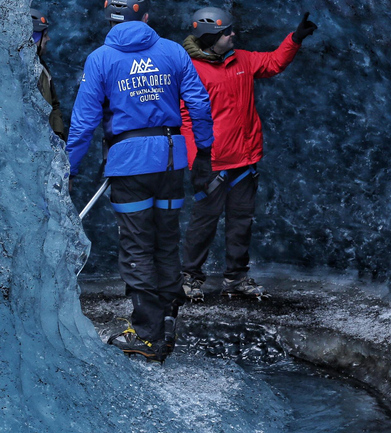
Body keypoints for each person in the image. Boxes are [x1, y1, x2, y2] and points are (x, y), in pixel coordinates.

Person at [67, 0, 214, 362]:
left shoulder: (100, 59)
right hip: (170, 160)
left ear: (110, 19)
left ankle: (146, 335)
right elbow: (199, 103)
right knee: (165, 241)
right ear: (145, 17)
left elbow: (84, 123)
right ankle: (165, 322)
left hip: (130, 162)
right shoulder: (173, 52)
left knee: (136, 246)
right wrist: (205, 154)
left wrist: (67, 170)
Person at [179, 8, 317, 301]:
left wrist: (294, 39)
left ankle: (236, 278)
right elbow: (185, 119)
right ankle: (190, 277)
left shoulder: (241, 58)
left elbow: (273, 62)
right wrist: (196, 160)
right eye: (226, 32)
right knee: (204, 223)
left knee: (241, 222)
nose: (233, 35)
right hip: (212, 164)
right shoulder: (190, 69)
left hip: (244, 160)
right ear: (210, 37)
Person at [31, 8, 65, 141]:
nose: (48, 39)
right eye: (44, 35)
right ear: (35, 38)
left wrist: (58, 135)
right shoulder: (13, 70)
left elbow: (54, 106)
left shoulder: (43, 69)